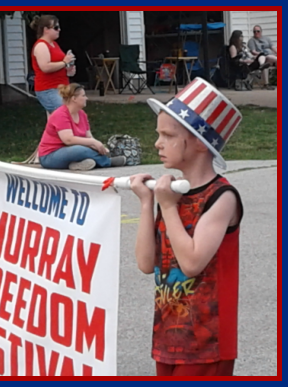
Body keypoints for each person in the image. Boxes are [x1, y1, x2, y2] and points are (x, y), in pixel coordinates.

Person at [130, 78, 244, 376]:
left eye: (167, 135)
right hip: (169, 332)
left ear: (198, 142)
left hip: (207, 341)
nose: (158, 143)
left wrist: (167, 206)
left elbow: (192, 262)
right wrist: (147, 203)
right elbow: (145, 263)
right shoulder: (171, 192)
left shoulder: (222, 197)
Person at [38, 83, 126, 171]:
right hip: (49, 156)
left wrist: (99, 147)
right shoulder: (60, 114)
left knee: (87, 149)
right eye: (83, 95)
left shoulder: (82, 114)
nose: (86, 98)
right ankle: (108, 162)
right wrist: (93, 142)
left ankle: (77, 164)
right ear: (74, 99)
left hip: (70, 151)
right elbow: (68, 140)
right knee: (80, 150)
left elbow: (88, 136)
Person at [30, 15, 76, 117]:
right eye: (55, 27)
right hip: (48, 89)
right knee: (64, 117)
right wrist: (64, 62)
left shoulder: (54, 44)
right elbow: (45, 67)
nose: (59, 30)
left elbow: (60, 64)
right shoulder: (41, 45)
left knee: (57, 121)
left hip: (62, 87)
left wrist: (69, 68)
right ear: (46, 29)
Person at [247, 25, 277, 90]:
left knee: (275, 59)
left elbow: (273, 47)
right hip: (260, 57)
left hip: (269, 56)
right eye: (254, 31)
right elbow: (253, 51)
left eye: (258, 31)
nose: (256, 33)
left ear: (261, 31)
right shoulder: (252, 40)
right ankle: (266, 84)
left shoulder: (267, 39)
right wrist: (261, 53)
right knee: (263, 60)